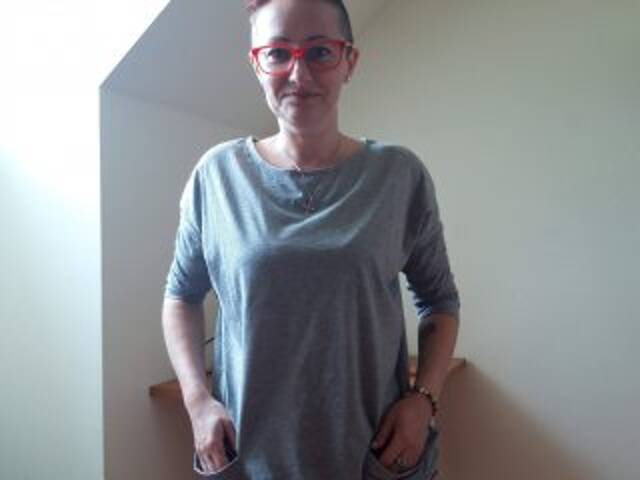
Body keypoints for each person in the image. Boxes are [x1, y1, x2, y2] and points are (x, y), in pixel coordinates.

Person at [161, 0, 460, 478]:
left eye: (320, 51)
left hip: (372, 454)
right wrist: (197, 401)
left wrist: (424, 399)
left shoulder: (399, 175)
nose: (298, 75)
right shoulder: (217, 176)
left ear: (349, 61)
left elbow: (440, 302)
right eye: (278, 53)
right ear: (256, 64)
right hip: (251, 455)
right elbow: (180, 296)